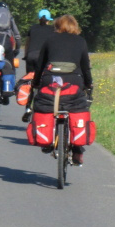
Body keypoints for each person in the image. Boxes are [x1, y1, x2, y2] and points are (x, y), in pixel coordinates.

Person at [32, 14, 93, 166]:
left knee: (43, 103)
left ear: (57, 26)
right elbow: (85, 66)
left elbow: (40, 65)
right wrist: (88, 84)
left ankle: (46, 140)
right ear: (75, 26)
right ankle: (78, 148)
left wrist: (36, 82)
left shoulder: (50, 40)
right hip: (73, 82)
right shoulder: (80, 41)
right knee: (78, 108)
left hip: (50, 81)